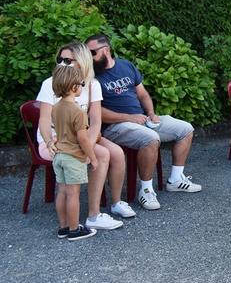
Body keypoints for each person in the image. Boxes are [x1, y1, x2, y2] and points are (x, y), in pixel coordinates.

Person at [86, 34, 201, 211]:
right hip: (115, 126)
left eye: (91, 52)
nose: (88, 57)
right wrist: (129, 117)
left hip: (142, 119)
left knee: (185, 129)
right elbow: (96, 112)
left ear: (106, 50)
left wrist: (151, 113)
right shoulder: (91, 76)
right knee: (150, 138)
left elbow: (143, 94)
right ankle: (146, 190)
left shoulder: (126, 65)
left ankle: (176, 179)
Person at [37, 42, 132, 228]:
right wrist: (48, 141)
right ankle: (94, 215)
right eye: (59, 60)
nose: (61, 64)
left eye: (67, 60)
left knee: (117, 153)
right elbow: (44, 120)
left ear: (82, 62)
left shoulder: (91, 84)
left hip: (84, 134)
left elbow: (96, 120)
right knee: (102, 154)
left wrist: (87, 142)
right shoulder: (50, 84)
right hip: (58, 139)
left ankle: (115, 203)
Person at [50, 64, 99, 241]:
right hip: (73, 157)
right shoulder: (78, 112)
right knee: (73, 194)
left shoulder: (56, 108)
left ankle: (63, 227)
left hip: (59, 156)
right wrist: (92, 158)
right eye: (81, 83)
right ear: (74, 87)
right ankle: (74, 229)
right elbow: (83, 139)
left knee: (62, 191)